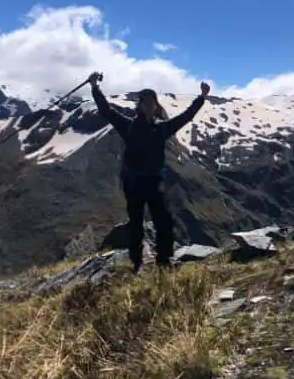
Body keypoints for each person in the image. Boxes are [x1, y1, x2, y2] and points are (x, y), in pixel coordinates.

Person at [87, 71, 210, 273]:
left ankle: (163, 261)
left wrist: (202, 98)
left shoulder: (159, 128)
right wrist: (94, 87)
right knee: (136, 223)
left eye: (152, 102)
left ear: (155, 106)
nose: (150, 106)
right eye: (146, 102)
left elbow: (185, 117)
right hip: (135, 182)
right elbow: (106, 110)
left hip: (151, 181)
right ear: (141, 105)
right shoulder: (129, 126)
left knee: (163, 221)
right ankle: (138, 263)